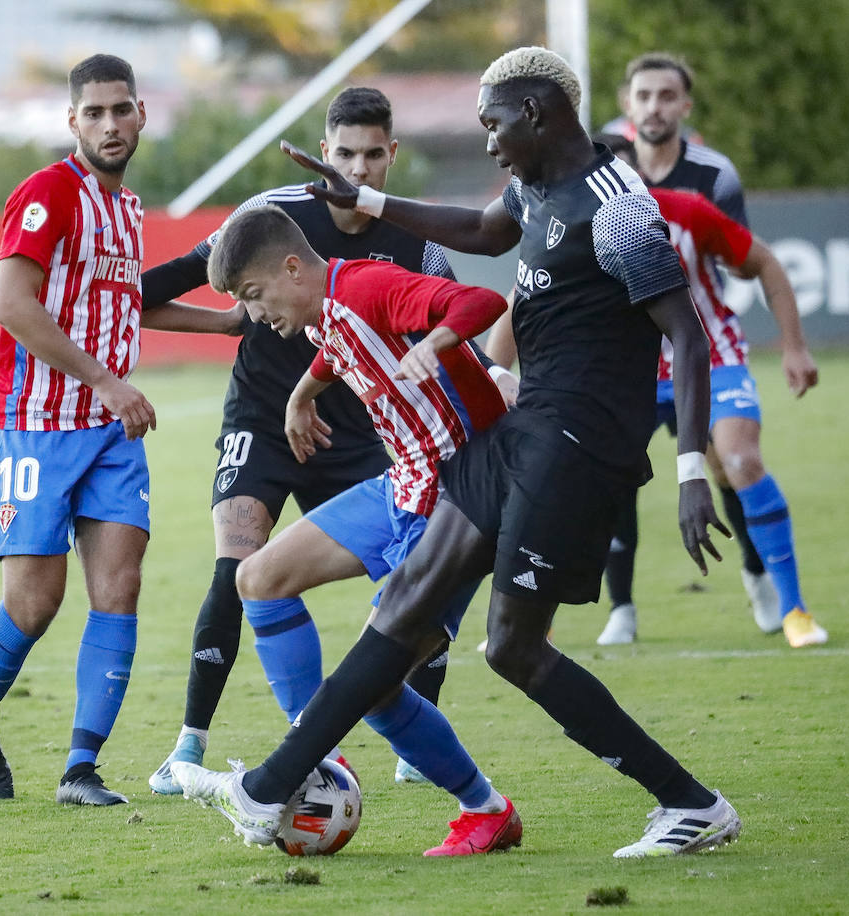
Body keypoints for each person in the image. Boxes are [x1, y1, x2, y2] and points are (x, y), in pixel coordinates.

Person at [173, 46, 742, 860]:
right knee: (405, 609)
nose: (489, 142)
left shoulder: (617, 208)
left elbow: (686, 335)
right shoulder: (535, 188)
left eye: (494, 124)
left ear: (537, 111)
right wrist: (367, 198)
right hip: (523, 430)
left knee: (513, 647)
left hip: (579, 444)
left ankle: (691, 804)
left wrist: (690, 469)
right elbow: (480, 231)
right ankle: (268, 788)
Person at [143, 88, 507, 794]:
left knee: (405, 651)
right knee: (244, 570)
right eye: (345, 154)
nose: (358, 170)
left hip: (395, 445)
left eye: (373, 155)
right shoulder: (275, 222)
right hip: (269, 419)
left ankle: (428, 761)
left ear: (392, 155)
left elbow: (469, 310)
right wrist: (279, 376)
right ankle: (203, 743)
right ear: (324, 152)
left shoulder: (408, 246)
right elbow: (328, 336)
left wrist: (479, 367)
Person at [0, 54, 242, 806]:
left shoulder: (126, 207)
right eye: (94, 113)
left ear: (141, 114)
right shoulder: (48, 193)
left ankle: (80, 769)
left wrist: (226, 324)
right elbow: (12, 304)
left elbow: (124, 302)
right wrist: (108, 382)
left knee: (120, 587)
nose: (110, 125)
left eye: (121, 110)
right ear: (72, 121)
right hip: (33, 425)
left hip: (110, 433)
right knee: (34, 605)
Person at [194, 204, 524, 855]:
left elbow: (480, 301)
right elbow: (336, 348)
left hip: (458, 502)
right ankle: (318, 756)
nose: (253, 315)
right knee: (257, 578)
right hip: (402, 486)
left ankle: (486, 809)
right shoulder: (323, 311)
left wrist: (436, 342)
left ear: (294, 268)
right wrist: (300, 396)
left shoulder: (370, 286)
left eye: (255, 295)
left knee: (376, 688)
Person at [567, 134, 825, 647]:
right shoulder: (570, 227)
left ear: (640, 176)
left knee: (738, 461)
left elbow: (765, 262)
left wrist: (794, 347)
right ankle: (608, 611)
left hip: (710, 357)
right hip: (632, 372)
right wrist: (499, 374)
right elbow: (519, 302)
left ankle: (792, 606)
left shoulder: (687, 212)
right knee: (592, 475)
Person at [612, 50, 778, 635]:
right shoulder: (598, 167)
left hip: (694, 346)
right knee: (610, 476)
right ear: (626, 104)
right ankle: (620, 610)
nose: (654, 106)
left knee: (728, 463)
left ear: (685, 105)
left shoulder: (711, 179)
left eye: (666, 95)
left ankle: (760, 576)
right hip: (630, 362)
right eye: (644, 95)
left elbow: (741, 259)